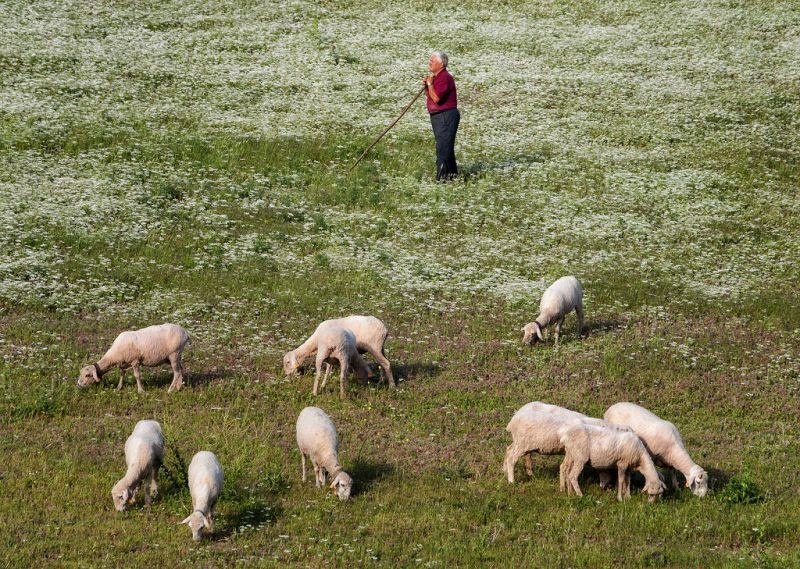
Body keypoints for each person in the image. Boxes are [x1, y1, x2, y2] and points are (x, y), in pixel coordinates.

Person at [423, 51, 459, 181]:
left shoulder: (444, 77)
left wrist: (430, 84)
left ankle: (442, 179)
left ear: (441, 63)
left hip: (445, 115)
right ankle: (452, 177)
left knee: (443, 148)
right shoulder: (438, 77)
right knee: (446, 147)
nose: (430, 62)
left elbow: (437, 98)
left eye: (432, 60)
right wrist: (428, 87)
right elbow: (432, 97)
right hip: (440, 116)